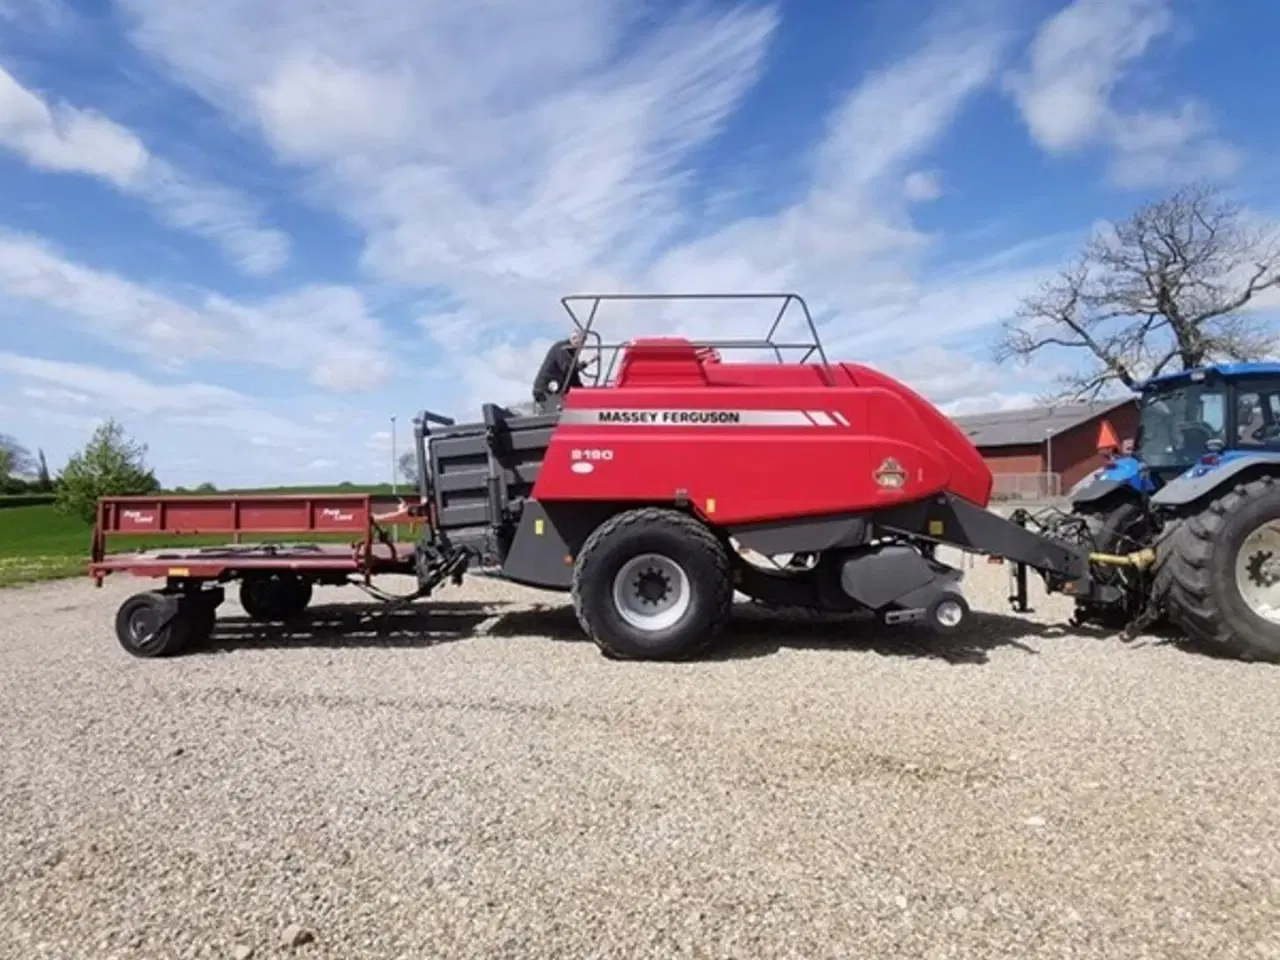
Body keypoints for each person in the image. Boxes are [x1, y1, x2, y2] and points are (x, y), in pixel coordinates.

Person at [532, 328, 585, 408]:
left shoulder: (572, 353)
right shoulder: (563, 348)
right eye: (574, 338)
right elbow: (567, 370)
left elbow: (573, 377)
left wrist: (582, 392)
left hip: (556, 391)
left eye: (581, 341)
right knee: (560, 410)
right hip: (546, 391)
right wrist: (581, 366)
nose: (577, 342)